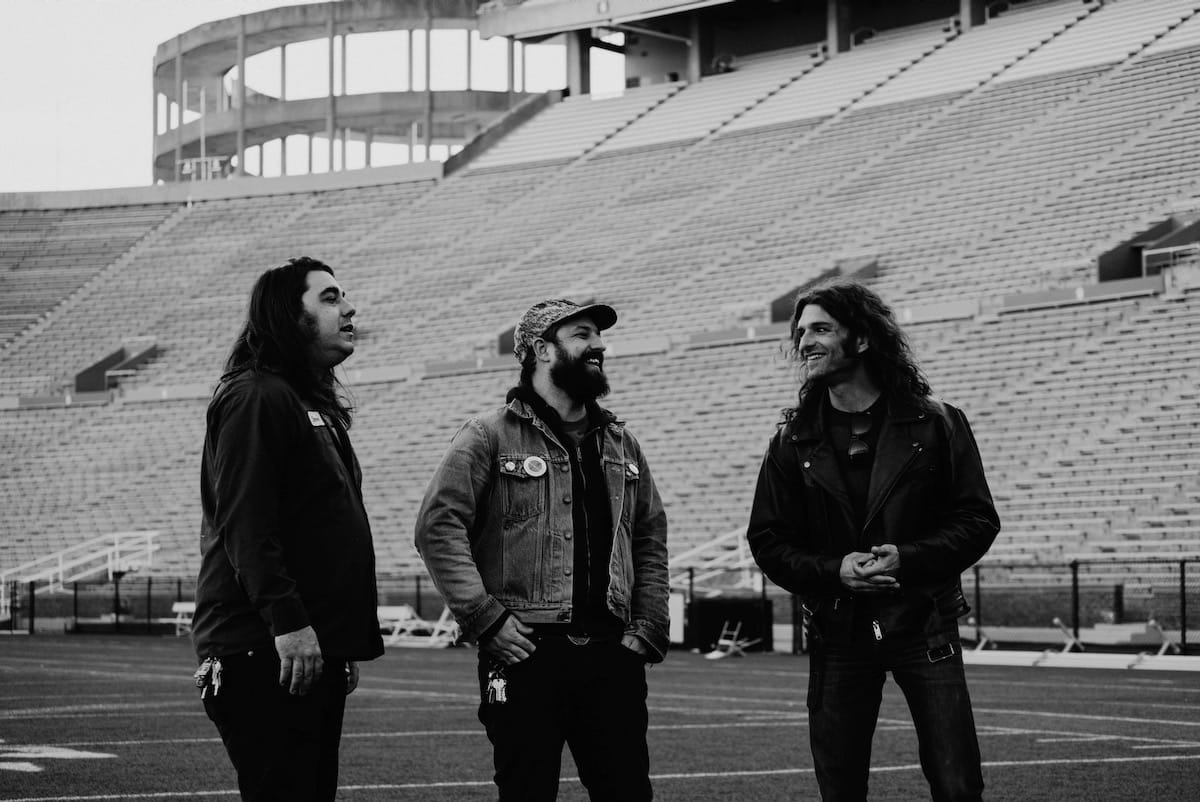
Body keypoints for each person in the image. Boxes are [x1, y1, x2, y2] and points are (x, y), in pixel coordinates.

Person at [746, 280, 999, 802]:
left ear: (861, 339)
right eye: (800, 332)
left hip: (924, 623)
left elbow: (977, 519)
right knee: (840, 787)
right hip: (839, 632)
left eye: (820, 329)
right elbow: (768, 539)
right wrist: (834, 571)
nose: (804, 342)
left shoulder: (937, 423)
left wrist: (906, 559)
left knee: (958, 783)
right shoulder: (793, 439)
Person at [415, 298, 669, 802]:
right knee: (526, 791)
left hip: (612, 655)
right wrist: (485, 619)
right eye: (581, 334)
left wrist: (647, 627)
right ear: (540, 350)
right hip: (525, 651)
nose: (598, 345)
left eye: (597, 335)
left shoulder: (623, 443)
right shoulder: (487, 435)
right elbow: (438, 528)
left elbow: (649, 538)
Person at [192, 256, 384, 801]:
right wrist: (290, 626)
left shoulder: (303, 401)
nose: (348, 308)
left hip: (301, 648)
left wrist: (334, 641)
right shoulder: (257, 395)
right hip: (263, 650)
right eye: (328, 298)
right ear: (286, 316)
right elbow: (246, 522)